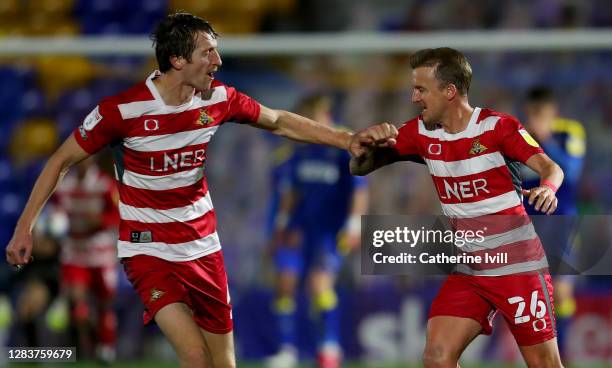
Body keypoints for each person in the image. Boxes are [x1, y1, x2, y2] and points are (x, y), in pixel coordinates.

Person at [5, 12, 395, 368]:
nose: (218, 61)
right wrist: (26, 227)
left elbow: (278, 121)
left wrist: (346, 140)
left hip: (202, 247)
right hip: (148, 248)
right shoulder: (122, 111)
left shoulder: (218, 99)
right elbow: (60, 160)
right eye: (208, 53)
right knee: (195, 358)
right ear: (178, 60)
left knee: (223, 363)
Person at [351, 47, 565, 368]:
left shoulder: (498, 128)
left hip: (516, 266)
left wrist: (548, 189)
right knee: (437, 357)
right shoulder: (421, 133)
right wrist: (366, 144)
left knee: (544, 364)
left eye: (421, 89)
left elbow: (551, 168)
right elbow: (361, 168)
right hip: (471, 269)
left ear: (449, 91)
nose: (413, 98)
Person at [265, 94, 368, 368]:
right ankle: (286, 349)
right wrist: (281, 226)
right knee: (284, 283)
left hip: (329, 231)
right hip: (298, 230)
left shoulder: (344, 146)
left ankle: (329, 347)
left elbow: (359, 189)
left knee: (319, 284)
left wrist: (354, 224)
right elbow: (289, 194)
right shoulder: (297, 149)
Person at [522, 86, 586, 360]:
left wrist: (545, 139)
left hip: (563, 223)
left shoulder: (570, 132)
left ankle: (563, 357)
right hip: (529, 226)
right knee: (530, 294)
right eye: (533, 113)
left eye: (541, 113)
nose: (536, 119)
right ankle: (537, 356)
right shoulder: (520, 137)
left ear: (553, 112)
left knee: (560, 291)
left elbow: (571, 173)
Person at [52, 157, 120, 362]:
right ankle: (87, 342)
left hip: (100, 252)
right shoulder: (64, 186)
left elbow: (119, 215)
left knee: (104, 304)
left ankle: (106, 346)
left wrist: (101, 219)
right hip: (74, 251)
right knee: (77, 301)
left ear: (93, 161)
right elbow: (54, 212)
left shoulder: (104, 184)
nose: (82, 163)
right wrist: (56, 222)